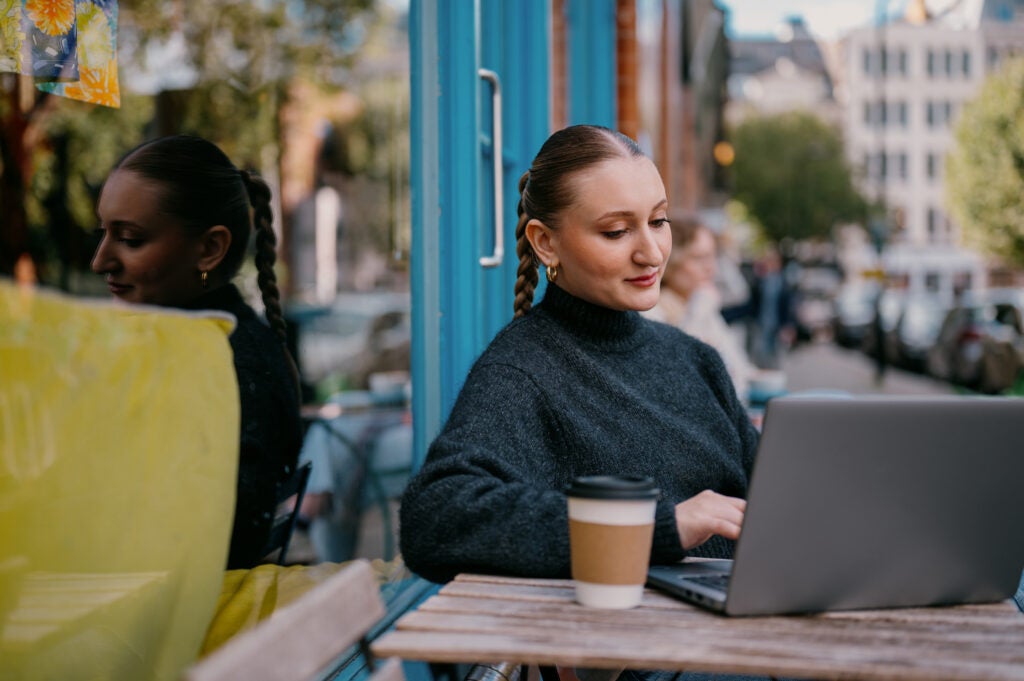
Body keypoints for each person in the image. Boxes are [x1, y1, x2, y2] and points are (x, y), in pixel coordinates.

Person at [399, 124, 759, 585]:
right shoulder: (522, 371)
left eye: (658, 221)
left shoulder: (695, 360)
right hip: (646, 647)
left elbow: (769, 497)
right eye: (615, 231)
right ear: (546, 242)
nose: (651, 253)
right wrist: (654, 527)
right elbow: (435, 517)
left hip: (748, 620)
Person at [91, 134, 304, 570]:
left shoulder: (224, 367)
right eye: (104, 233)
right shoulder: (212, 346)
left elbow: (208, 542)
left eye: (129, 239)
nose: (101, 261)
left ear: (208, 249)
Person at [643, 215, 757, 401]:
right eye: (699, 258)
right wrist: (699, 310)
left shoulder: (701, 306)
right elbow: (678, 377)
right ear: (671, 260)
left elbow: (739, 369)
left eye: (713, 257)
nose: (711, 268)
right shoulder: (652, 311)